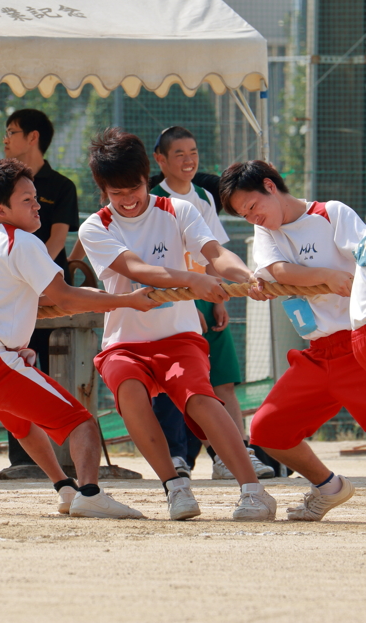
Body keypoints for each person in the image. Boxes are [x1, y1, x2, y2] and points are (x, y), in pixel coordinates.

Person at [0, 158, 159, 518]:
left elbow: (25, 295)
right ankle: (90, 492)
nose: (38, 205)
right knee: (82, 422)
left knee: (22, 424)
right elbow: (66, 296)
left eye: (36, 198)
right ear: (1, 209)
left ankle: (65, 488)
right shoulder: (22, 241)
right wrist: (127, 301)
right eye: (27, 200)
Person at [78, 128, 276, 521]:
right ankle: (175, 485)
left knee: (201, 399)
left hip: (179, 336)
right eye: (116, 194)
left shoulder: (177, 210)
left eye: (133, 188)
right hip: (124, 342)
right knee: (129, 393)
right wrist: (192, 279)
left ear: (146, 175)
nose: (128, 200)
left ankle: (253, 491)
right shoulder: (95, 227)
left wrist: (247, 277)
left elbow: (214, 253)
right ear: (103, 190)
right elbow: (137, 269)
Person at [220, 159, 361, 521]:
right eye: (243, 216)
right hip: (316, 354)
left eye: (252, 207)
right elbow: (278, 271)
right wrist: (327, 276)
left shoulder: (331, 214)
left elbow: (362, 251)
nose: (253, 218)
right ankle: (329, 487)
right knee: (267, 430)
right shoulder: (268, 233)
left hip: (357, 346)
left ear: (270, 186)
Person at [148, 126, 274, 481]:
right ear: (160, 159)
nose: (189, 161)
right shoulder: (152, 200)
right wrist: (188, 303)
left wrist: (218, 297)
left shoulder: (204, 196)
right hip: (174, 298)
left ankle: (236, 454)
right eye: (179, 155)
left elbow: (212, 252)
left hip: (208, 295)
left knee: (223, 381)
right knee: (179, 383)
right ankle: (176, 457)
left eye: (194, 153)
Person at [0, 110, 80, 475]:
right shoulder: (2, 183)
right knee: (14, 368)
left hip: (47, 289)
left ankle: (65, 456)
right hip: (13, 294)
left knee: (51, 369)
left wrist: (39, 276)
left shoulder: (61, 186)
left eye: (11, 132)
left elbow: (57, 238)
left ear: (33, 137)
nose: (5, 140)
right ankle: (21, 460)